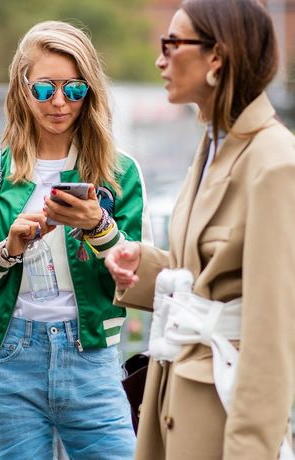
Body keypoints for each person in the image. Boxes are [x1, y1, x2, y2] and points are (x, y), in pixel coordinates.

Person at [0, 20, 153, 459]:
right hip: (9, 364)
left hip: (92, 361)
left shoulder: (119, 174)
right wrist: (7, 250)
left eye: (74, 90)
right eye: (45, 89)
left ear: (89, 92)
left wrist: (100, 228)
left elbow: (141, 284)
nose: (59, 103)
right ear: (23, 88)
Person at [105, 0, 295, 459]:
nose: (160, 59)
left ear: (216, 57)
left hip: (222, 415)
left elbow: (272, 335)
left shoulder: (274, 162)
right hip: (174, 403)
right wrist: (142, 265)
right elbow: (199, 274)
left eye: (172, 44)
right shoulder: (213, 146)